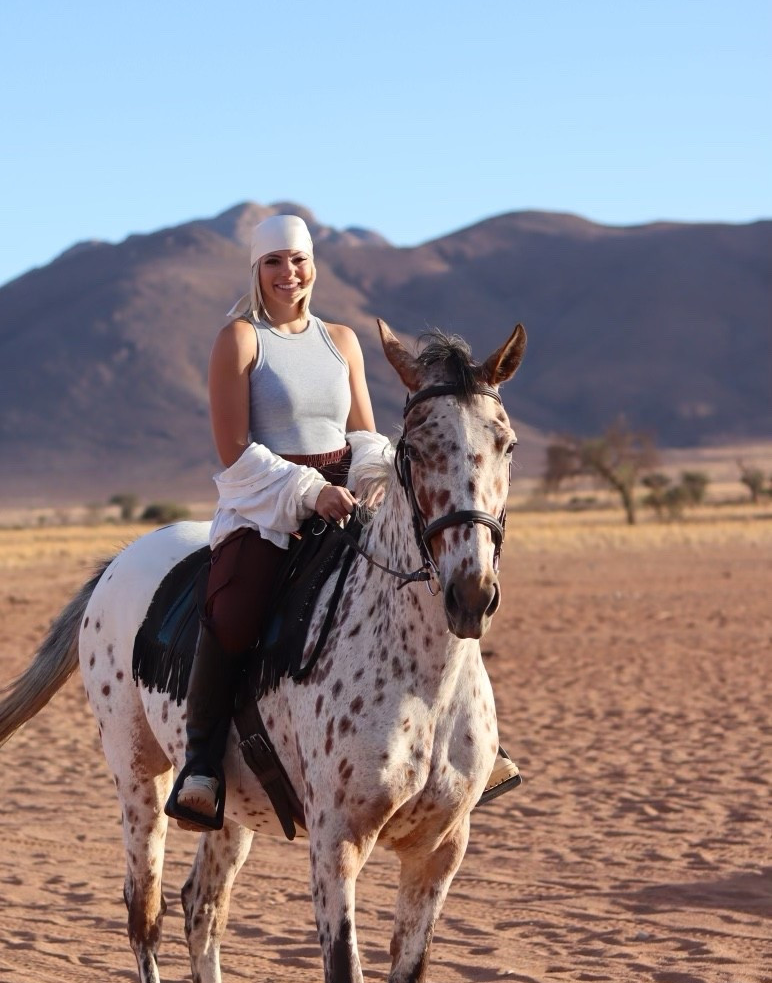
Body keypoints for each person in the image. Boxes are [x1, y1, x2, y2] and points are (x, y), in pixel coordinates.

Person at [164, 214, 520, 832]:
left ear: (313, 267)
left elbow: (363, 433)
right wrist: (307, 491)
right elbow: (235, 449)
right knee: (235, 609)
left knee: (426, 584)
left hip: (349, 498)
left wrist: (371, 483)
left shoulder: (342, 340)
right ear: (257, 270)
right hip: (266, 502)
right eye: (273, 262)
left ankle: (477, 747)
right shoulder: (241, 340)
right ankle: (201, 765)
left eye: (297, 261)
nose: (287, 273)